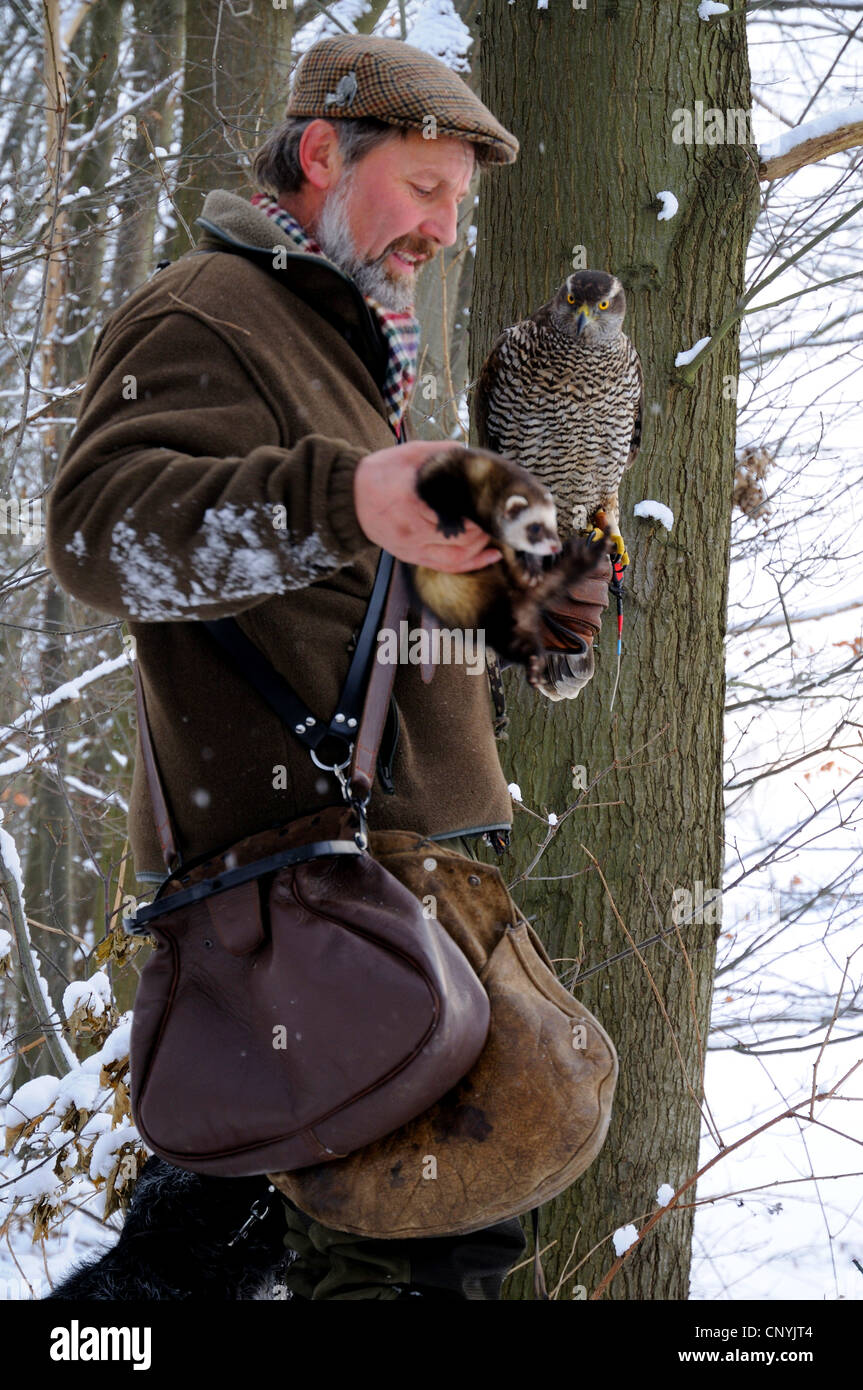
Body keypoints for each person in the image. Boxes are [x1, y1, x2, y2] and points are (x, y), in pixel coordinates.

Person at [44, 35, 612, 1301]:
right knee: (416, 1252)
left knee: (210, 1254)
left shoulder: (341, 336)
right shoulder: (206, 310)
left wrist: (526, 606)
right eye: (423, 189)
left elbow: (346, 595)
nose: (444, 230)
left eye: (458, 203)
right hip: (300, 887)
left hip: (359, 881)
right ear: (318, 155)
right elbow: (101, 533)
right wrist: (342, 496)